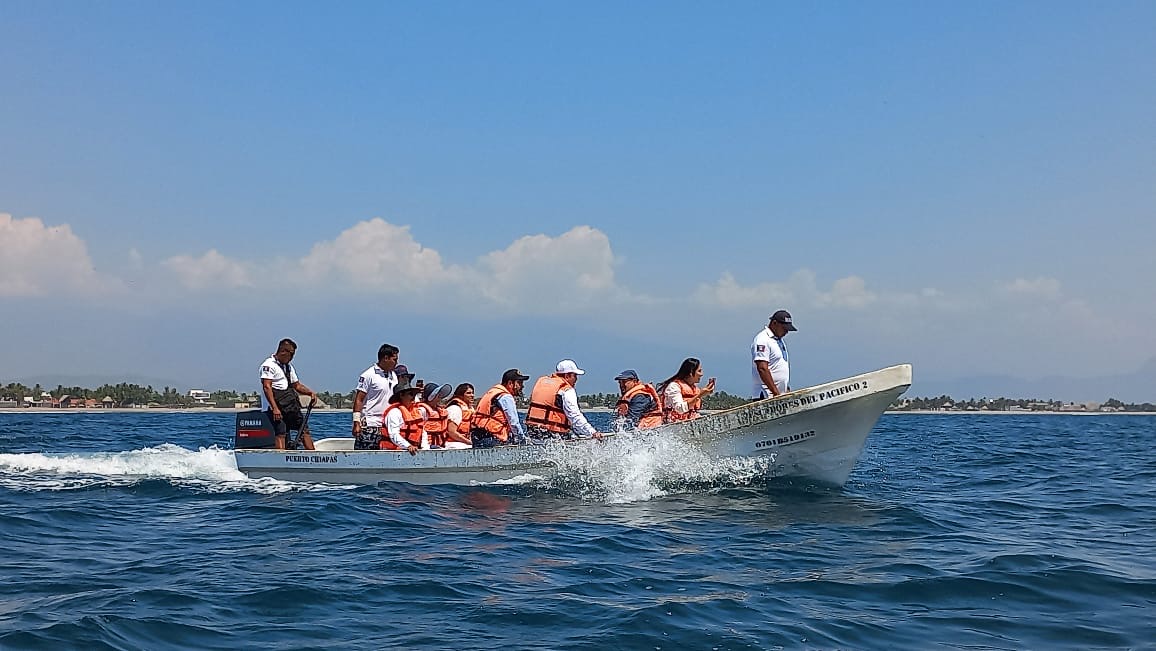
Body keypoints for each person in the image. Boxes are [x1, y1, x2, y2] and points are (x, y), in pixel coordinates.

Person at [259, 338, 318, 450]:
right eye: (291, 354)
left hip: (289, 405)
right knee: (281, 432)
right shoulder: (268, 365)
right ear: (283, 352)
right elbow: (267, 387)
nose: (292, 358)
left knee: (303, 429)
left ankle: (312, 456)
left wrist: (310, 393)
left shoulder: (288, 367)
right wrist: (275, 408)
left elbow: (297, 385)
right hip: (276, 407)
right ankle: (281, 460)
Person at [526, 359, 600, 440]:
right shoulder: (567, 390)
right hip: (552, 433)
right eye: (574, 375)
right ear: (567, 376)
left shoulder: (543, 383)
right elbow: (574, 415)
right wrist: (592, 432)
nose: (576, 379)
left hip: (533, 431)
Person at [351, 343, 400, 450]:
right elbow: (359, 399)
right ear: (385, 358)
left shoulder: (394, 376)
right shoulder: (368, 375)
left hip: (387, 424)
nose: (396, 363)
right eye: (394, 359)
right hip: (370, 424)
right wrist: (356, 422)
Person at [471, 369, 530, 448]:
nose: (522, 386)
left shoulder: (494, 392)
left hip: (479, 437)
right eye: (519, 383)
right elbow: (514, 423)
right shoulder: (506, 397)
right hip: (491, 439)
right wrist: (523, 441)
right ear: (510, 383)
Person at [751, 309, 796, 399]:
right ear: (774, 323)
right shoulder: (763, 340)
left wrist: (785, 388)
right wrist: (775, 393)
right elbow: (762, 368)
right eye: (784, 329)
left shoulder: (779, 341)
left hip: (779, 395)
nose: (786, 332)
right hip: (766, 395)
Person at [657, 357, 715, 423]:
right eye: (699, 371)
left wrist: (704, 393)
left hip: (688, 425)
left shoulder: (695, 389)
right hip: (671, 425)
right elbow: (679, 409)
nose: (702, 374)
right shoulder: (673, 386)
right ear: (691, 373)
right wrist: (700, 395)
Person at [380, 380, 426, 455]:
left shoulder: (417, 412)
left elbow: (423, 433)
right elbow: (394, 435)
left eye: (414, 394)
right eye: (411, 394)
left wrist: (425, 448)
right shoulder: (394, 413)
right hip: (393, 454)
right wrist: (408, 446)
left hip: (414, 451)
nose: (413, 397)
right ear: (401, 395)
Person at [418, 382, 453, 448]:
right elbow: (420, 430)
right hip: (427, 445)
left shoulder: (440, 411)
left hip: (440, 444)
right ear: (432, 396)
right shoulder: (422, 410)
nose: (440, 397)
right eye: (438, 395)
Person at [444, 383, 475, 449]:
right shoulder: (455, 408)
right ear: (460, 395)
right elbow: (451, 432)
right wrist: (469, 442)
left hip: (463, 442)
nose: (472, 395)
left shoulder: (470, 408)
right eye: (468, 393)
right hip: (453, 443)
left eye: (472, 393)